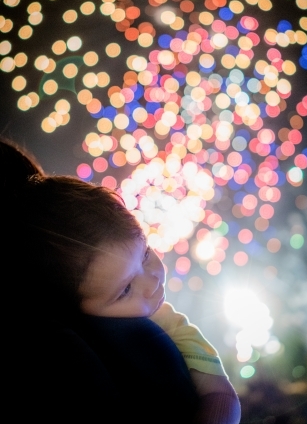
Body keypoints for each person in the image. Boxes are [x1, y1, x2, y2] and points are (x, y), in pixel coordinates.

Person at [2, 138, 240, 423]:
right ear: (75, 310)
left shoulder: (169, 322)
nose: (152, 280)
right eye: (125, 289)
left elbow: (222, 395)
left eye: (146, 254)